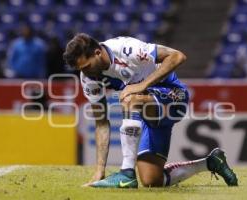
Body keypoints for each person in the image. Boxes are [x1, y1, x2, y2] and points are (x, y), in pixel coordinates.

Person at [63, 33, 238, 188]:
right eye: (81, 69)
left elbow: (177, 56)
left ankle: (126, 173)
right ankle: (211, 162)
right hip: (148, 111)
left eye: (87, 66)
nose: (85, 72)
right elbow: (101, 123)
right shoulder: (88, 77)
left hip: (173, 97)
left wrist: (141, 85)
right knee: (151, 180)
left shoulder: (126, 49)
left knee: (129, 97)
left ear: (97, 53)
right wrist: (99, 171)